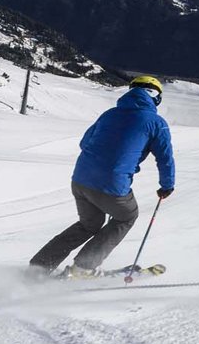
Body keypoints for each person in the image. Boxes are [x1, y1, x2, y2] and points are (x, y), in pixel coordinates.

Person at [30, 74, 176, 276]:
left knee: (88, 224)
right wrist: (167, 185)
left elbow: (84, 143)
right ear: (156, 97)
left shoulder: (109, 114)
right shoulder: (156, 123)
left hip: (81, 180)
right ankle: (83, 268)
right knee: (126, 217)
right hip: (112, 184)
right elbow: (165, 158)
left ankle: (40, 265)